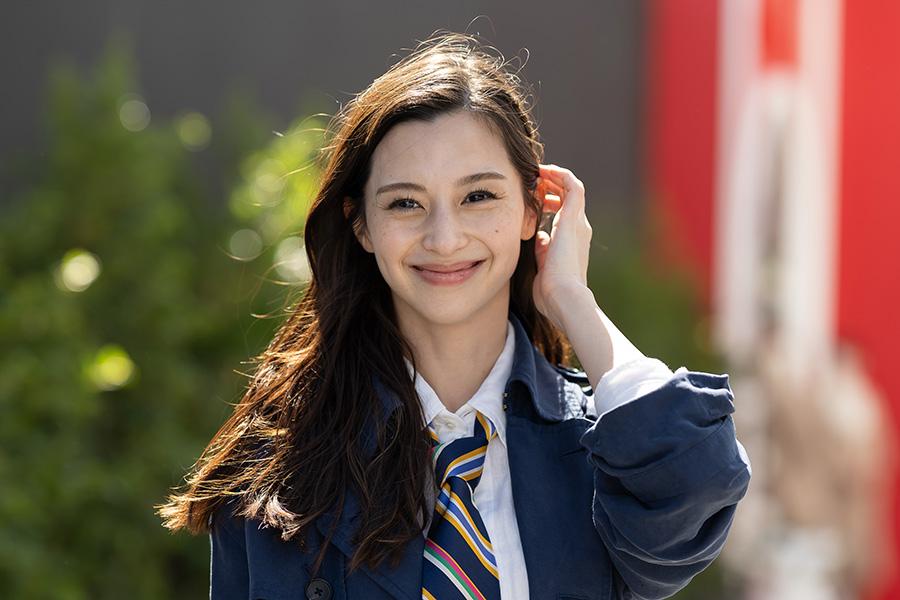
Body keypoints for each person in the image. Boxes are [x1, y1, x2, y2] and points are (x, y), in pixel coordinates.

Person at [160, 33, 750, 600]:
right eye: (405, 203)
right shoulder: (278, 471)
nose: (444, 238)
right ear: (361, 224)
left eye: (478, 196)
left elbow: (693, 485)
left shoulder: (600, 445)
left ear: (531, 210)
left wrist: (572, 297)